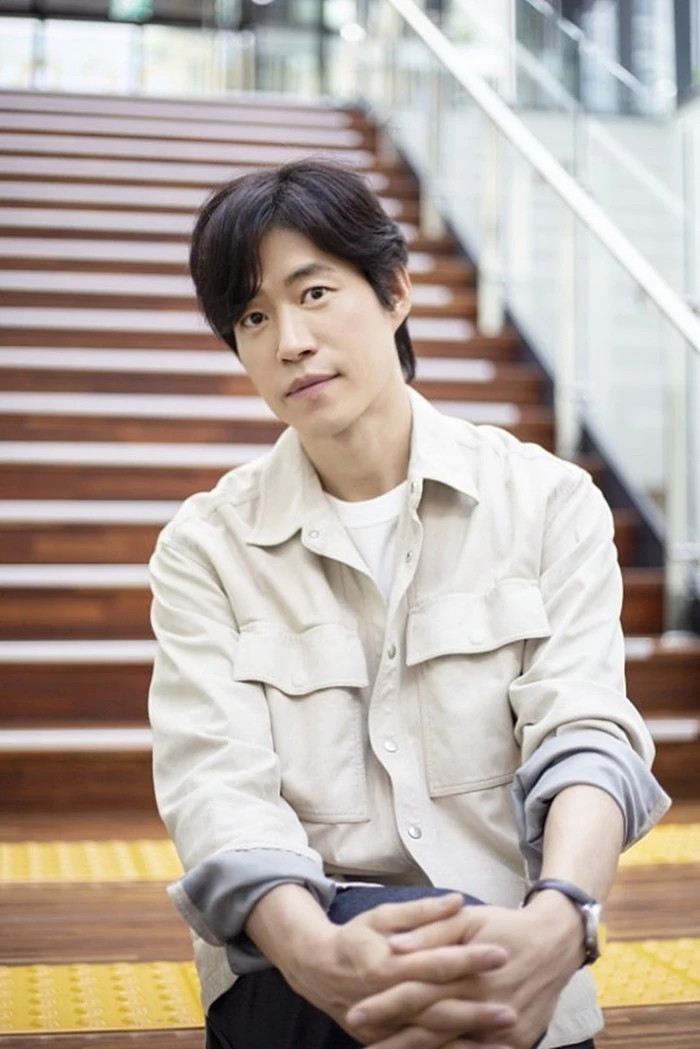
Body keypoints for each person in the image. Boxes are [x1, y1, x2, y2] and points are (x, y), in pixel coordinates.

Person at [147, 158, 671, 1049]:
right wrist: (316, 954)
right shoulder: (206, 547)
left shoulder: (549, 502)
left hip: (517, 954)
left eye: (314, 293)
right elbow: (217, 787)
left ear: (394, 291)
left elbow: (585, 733)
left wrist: (562, 917)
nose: (290, 342)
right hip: (298, 965)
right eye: (254, 317)